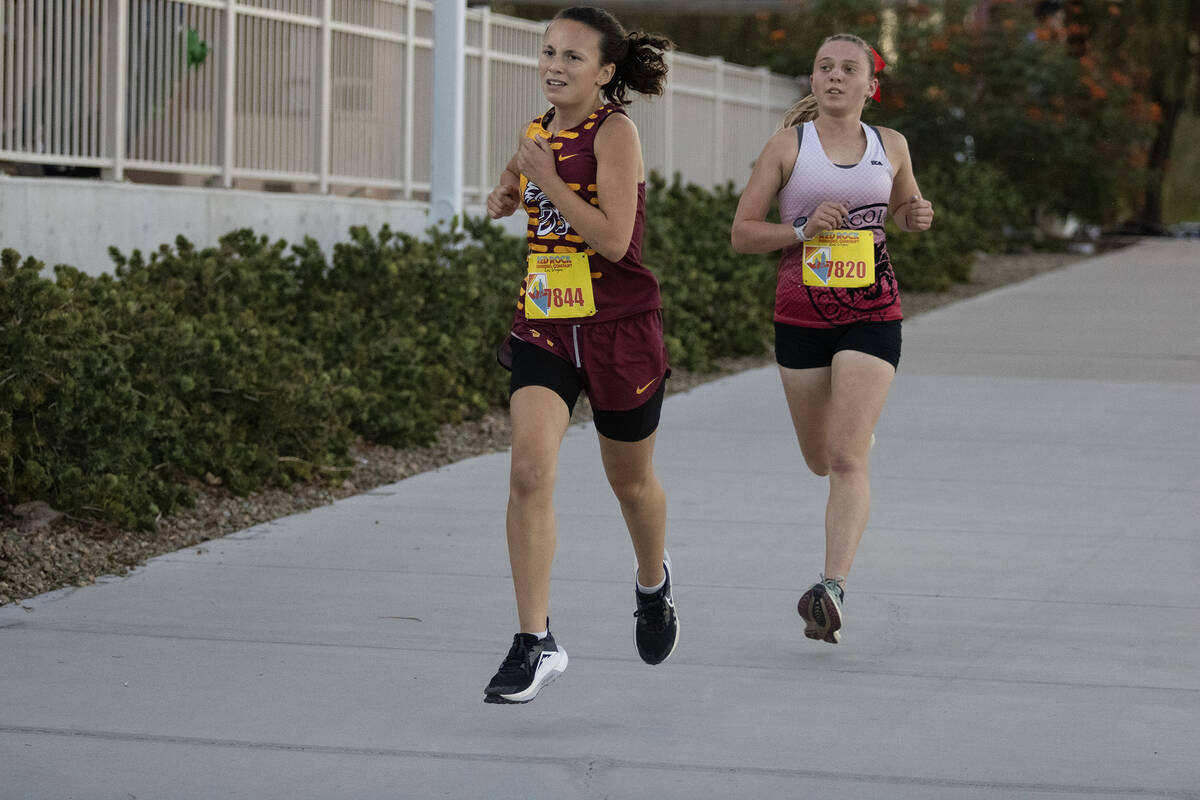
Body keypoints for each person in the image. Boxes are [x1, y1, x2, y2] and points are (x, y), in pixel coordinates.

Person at [482, 6, 679, 704]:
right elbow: (518, 177)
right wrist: (507, 190)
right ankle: (534, 641)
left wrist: (546, 180)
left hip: (618, 328)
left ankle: (652, 583)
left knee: (631, 484)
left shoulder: (615, 133)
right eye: (547, 53)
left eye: (571, 58)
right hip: (545, 323)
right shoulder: (538, 132)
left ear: (603, 72)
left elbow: (617, 241)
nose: (554, 67)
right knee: (529, 471)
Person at [730, 34, 934, 644]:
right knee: (820, 457)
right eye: (825, 68)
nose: (835, 77)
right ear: (812, 81)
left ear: (871, 86)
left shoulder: (890, 145)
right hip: (800, 316)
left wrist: (915, 216)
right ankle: (852, 428)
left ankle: (831, 587)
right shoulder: (787, 147)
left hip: (873, 310)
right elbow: (742, 233)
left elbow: (903, 208)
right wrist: (800, 227)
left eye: (849, 70)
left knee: (846, 458)